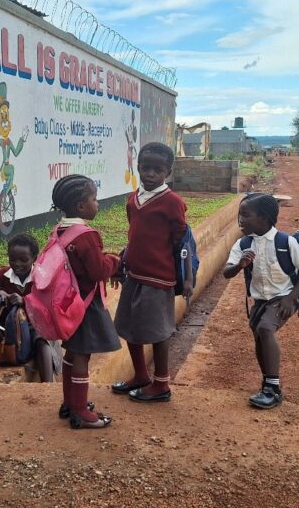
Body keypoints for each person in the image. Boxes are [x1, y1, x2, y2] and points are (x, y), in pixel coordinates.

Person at [112, 142, 188, 403]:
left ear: (167, 171)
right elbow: (134, 232)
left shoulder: (173, 202)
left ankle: (162, 384)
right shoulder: (134, 198)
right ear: (138, 167)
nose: (150, 174)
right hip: (134, 273)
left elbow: (180, 239)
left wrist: (179, 273)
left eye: (158, 170)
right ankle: (141, 375)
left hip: (158, 277)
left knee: (158, 331)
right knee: (130, 326)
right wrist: (125, 257)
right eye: (145, 168)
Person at [222, 194, 299, 410]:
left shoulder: (285, 242)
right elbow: (227, 272)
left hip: (283, 298)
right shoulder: (243, 243)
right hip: (261, 300)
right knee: (259, 338)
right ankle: (267, 384)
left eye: (246, 215)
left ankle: (273, 389)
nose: (240, 220)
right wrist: (240, 265)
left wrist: (292, 299)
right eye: (239, 214)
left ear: (264, 218)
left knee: (265, 329)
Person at [51, 174, 121, 428]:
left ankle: (71, 402)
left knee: (72, 352)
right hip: (86, 305)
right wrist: (114, 260)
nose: (97, 204)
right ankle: (80, 410)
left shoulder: (60, 230)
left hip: (68, 302)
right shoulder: (86, 235)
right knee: (82, 354)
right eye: (95, 199)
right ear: (81, 206)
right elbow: (97, 270)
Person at [0, 233, 60, 382]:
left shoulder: (41, 277)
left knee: (41, 340)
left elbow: (50, 307)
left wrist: (26, 301)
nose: (17, 264)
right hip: (12, 331)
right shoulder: (3, 275)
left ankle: (48, 385)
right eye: (12, 259)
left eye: (23, 260)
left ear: (34, 258)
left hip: (35, 326)